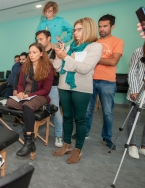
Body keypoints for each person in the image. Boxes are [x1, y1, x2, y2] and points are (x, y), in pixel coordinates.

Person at [52, 17, 102, 164]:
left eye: (79, 29)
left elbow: (85, 68)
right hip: (64, 86)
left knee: (80, 119)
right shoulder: (69, 46)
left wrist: (66, 57)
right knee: (67, 116)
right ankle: (66, 146)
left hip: (81, 88)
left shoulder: (94, 47)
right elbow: (57, 67)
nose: (75, 32)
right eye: (74, 29)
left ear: (88, 29)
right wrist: (58, 55)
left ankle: (77, 150)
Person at [83, 14, 124, 150]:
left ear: (112, 26)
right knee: (88, 110)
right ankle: (84, 133)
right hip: (90, 79)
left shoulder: (118, 41)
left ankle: (107, 138)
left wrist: (93, 58)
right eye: (100, 26)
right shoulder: (94, 42)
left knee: (107, 112)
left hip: (108, 81)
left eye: (105, 26)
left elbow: (113, 61)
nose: (101, 29)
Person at [6, 43, 54, 158]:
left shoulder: (48, 68)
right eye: (30, 52)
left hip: (40, 95)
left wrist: (30, 96)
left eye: (34, 52)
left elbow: (46, 90)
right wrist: (21, 93)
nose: (31, 55)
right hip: (26, 96)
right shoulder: (25, 66)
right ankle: (33, 108)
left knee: (27, 106)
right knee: (9, 102)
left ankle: (29, 142)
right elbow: (20, 83)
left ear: (41, 54)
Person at [36, 30, 63, 148]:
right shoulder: (38, 52)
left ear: (48, 38)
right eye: (37, 39)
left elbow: (58, 69)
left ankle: (58, 135)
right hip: (39, 85)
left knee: (56, 111)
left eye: (41, 39)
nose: (39, 41)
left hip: (53, 86)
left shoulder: (56, 50)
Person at [126, 42, 145, 159]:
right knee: (133, 118)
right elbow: (132, 71)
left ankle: (143, 146)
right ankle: (132, 144)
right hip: (137, 89)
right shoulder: (138, 51)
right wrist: (134, 90)